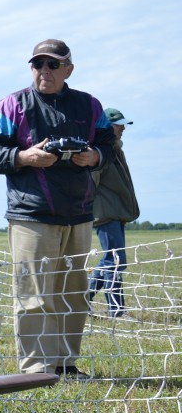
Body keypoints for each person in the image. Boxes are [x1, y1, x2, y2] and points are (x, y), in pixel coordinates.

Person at [0, 39, 115, 378]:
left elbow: (109, 145)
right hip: (31, 215)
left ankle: (66, 363)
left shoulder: (90, 105)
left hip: (80, 214)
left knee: (74, 295)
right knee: (34, 296)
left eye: (53, 65)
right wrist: (23, 157)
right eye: (38, 64)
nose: (45, 71)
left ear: (69, 68)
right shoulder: (12, 105)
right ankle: (37, 369)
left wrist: (95, 156)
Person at [87, 107, 140, 319]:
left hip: (114, 213)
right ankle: (116, 312)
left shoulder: (114, 147)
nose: (123, 128)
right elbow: (90, 183)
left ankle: (81, 300)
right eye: (119, 124)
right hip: (106, 213)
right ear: (107, 126)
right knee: (115, 261)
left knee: (112, 259)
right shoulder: (101, 150)